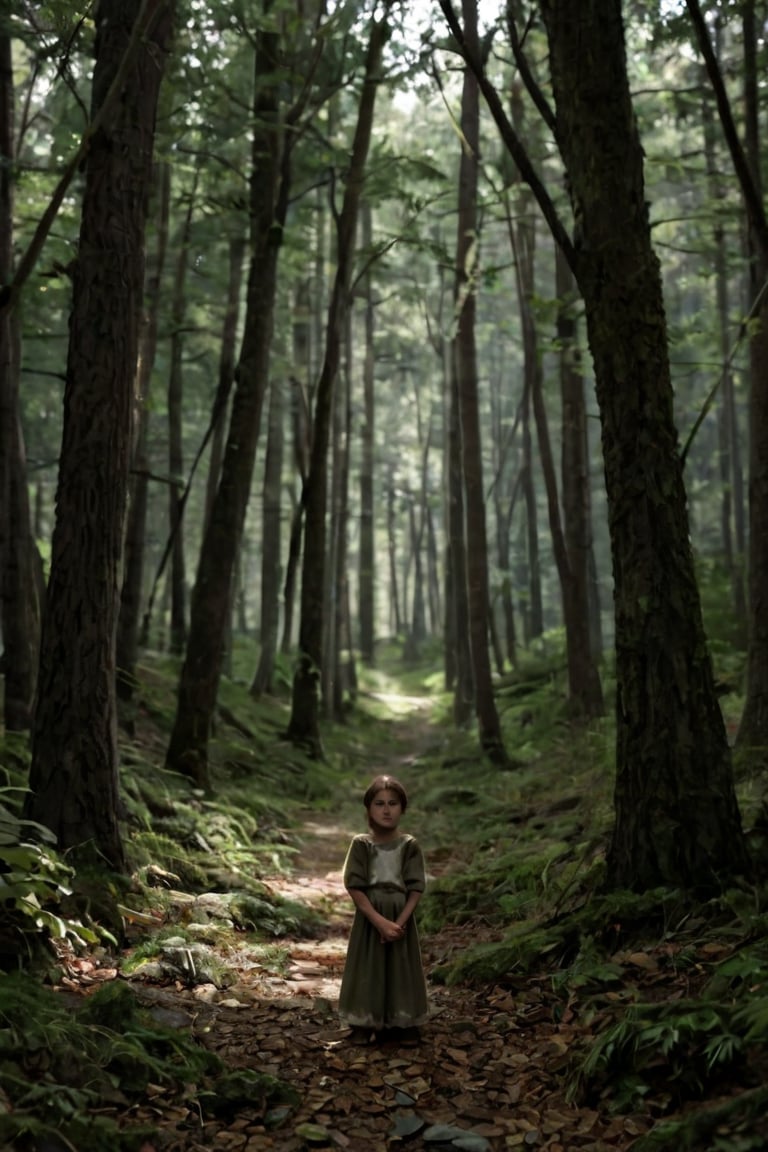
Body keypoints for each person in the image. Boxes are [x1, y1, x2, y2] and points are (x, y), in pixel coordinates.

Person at [338, 774, 429, 1046]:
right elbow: (354, 886)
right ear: (369, 809)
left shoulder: (409, 845)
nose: (386, 810)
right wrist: (379, 922)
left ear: (402, 808)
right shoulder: (361, 845)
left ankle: (402, 1023)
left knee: (401, 967)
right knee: (368, 966)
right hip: (371, 916)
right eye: (379, 803)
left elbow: (415, 887)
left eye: (393, 803)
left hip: (399, 915)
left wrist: (397, 925)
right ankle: (364, 1021)